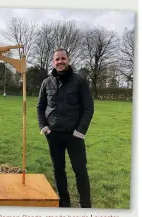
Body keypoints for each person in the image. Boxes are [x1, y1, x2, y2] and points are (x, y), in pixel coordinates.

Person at [37, 48, 94, 208]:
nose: (60, 62)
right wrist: (44, 128)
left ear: (68, 60)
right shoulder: (46, 83)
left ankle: (86, 205)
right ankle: (64, 203)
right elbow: (40, 107)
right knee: (58, 170)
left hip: (74, 135)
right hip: (53, 135)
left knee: (80, 171)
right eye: (57, 59)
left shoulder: (80, 81)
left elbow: (88, 107)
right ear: (53, 62)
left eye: (63, 59)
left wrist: (80, 131)